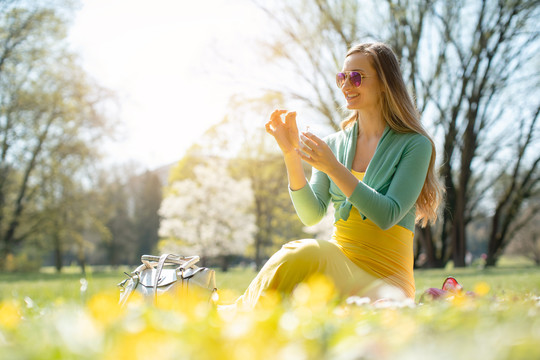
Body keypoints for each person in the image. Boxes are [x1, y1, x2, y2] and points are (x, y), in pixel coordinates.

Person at [234, 42, 444, 308]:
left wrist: (333, 167)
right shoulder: (334, 145)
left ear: (384, 83)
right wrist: (291, 155)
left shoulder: (414, 144)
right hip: (338, 266)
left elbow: (387, 214)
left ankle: (240, 317)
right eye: (342, 77)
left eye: (356, 77)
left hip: (386, 282)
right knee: (299, 262)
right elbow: (312, 214)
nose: (346, 85)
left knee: (306, 253)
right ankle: (246, 318)